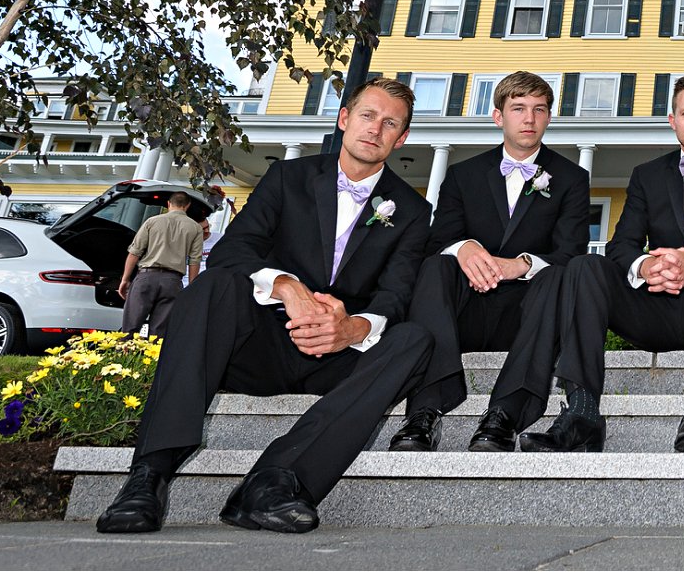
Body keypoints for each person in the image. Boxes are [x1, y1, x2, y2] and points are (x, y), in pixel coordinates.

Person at [95, 78, 434, 535]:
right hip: (263, 341)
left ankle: (275, 480)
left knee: (415, 340)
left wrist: (353, 328)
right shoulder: (288, 177)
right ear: (344, 119)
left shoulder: (412, 209)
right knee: (213, 286)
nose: (375, 129)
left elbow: (397, 291)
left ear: (402, 138)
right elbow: (236, 250)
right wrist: (286, 286)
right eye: (368, 115)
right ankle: (148, 476)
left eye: (390, 123)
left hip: (337, 357)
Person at [524, 72, 684, 453]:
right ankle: (582, 413)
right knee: (586, 267)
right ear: (673, 120)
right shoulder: (647, 176)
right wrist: (645, 267)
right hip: (650, 305)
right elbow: (623, 245)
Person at [387, 71, 590, 452]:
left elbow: (572, 252)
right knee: (436, 266)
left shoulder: (572, 178)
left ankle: (504, 415)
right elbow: (436, 240)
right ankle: (424, 412)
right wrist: (463, 248)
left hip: (529, 317)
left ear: (548, 117)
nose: (529, 119)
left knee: (557, 276)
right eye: (518, 109)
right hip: (463, 312)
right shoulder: (463, 175)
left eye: (539, 109)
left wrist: (522, 263)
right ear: (499, 116)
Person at [118, 192, 204, 339]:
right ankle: (152, 360)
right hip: (172, 282)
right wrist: (191, 288)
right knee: (159, 334)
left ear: (169, 204)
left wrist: (125, 279)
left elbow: (135, 253)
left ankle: (123, 358)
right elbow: (194, 261)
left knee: (130, 328)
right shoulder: (195, 228)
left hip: (146, 277)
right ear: (187, 206)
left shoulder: (152, 221)